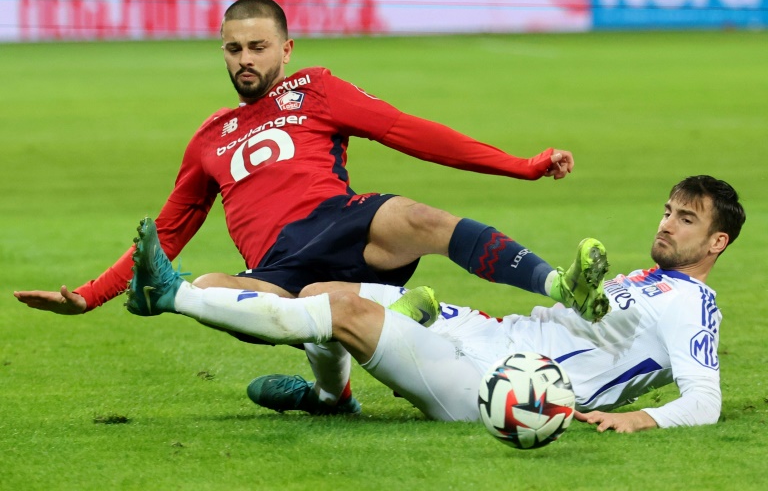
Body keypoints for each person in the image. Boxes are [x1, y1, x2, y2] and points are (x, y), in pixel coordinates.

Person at [15, 0, 588, 414]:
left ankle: (557, 284)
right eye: (234, 48)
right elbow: (163, 237)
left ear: (285, 50)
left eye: (258, 47)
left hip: (343, 224)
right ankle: (332, 393)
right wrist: (88, 298)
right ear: (222, 51)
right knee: (212, 290)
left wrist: (521, 165)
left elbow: (407, 131)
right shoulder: (208, 139)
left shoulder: (314, 89)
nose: (246, 59)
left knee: (416, 216)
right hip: (280, 266)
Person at [125, 175, 745, 432]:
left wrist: (637, 419)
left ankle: (171, 293)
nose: (667, 225)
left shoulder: (693, 304)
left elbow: (705, 400)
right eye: (667, 211)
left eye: (685, 220)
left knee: (345, 316)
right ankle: (329, 397)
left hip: (503, 388)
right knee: (318, 293)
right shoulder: (646, 278)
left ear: (716, 242)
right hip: (487, 334)